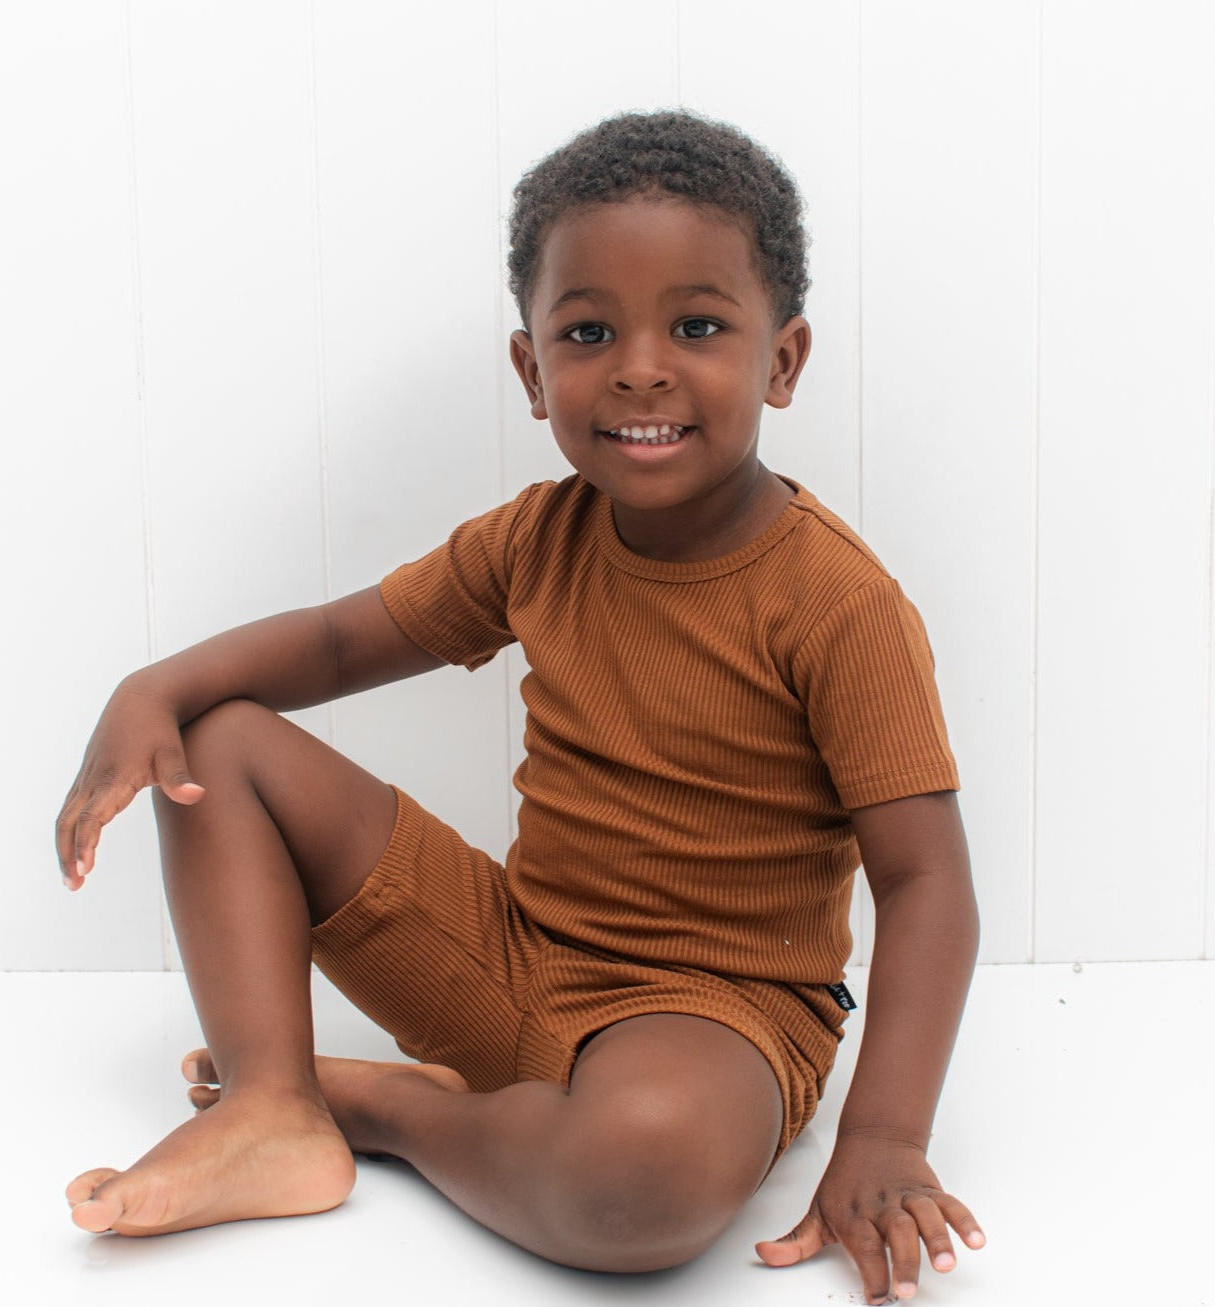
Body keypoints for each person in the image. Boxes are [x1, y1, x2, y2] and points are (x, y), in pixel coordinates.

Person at [56, 110, 985, 1305]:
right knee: (215, 739)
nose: (640, 366)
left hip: (712, 1022)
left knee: (639, 1180)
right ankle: (273, 1103)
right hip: (505, 958)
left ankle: (379, 1109)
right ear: (532, 371)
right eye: (588, 331)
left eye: (696, 326)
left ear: (782, 361)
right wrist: (149, 687)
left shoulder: (837, 603)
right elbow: (335, 641)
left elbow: (926, 881)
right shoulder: (535, 539)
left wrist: (884, 1135)